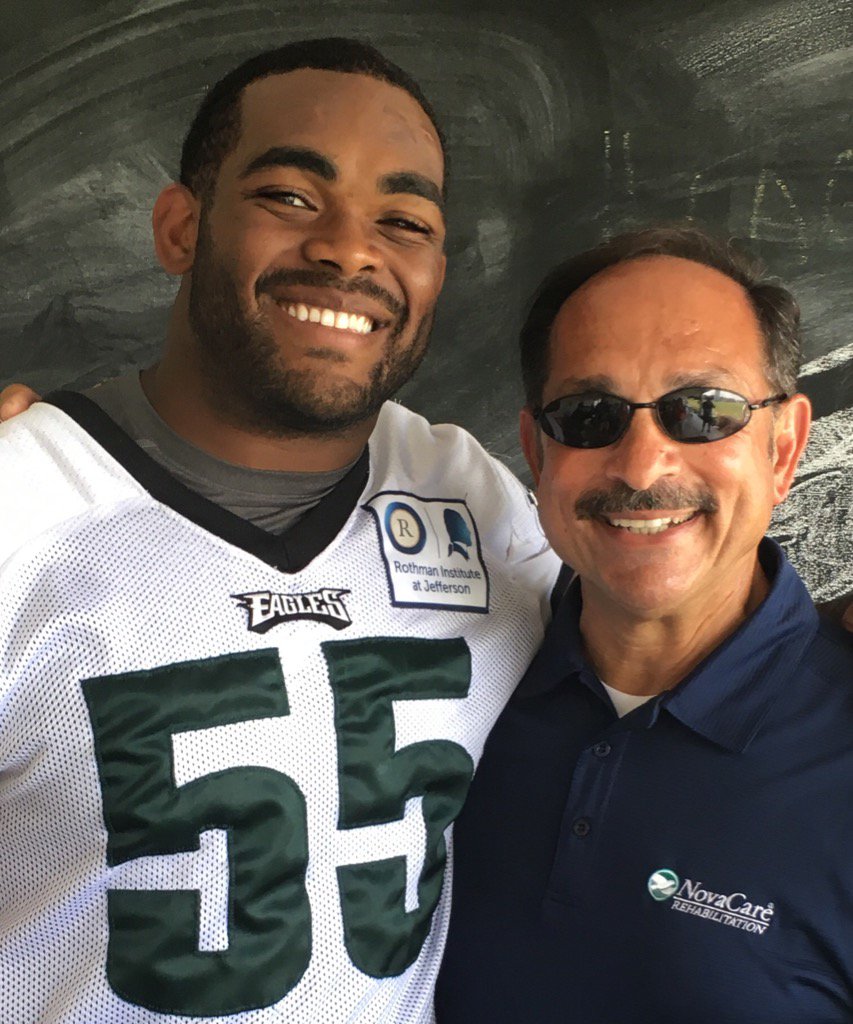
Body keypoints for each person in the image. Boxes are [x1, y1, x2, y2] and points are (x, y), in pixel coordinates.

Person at [0, 39, 559, 1024]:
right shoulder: (24, 504)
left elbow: (659, 662)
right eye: (290, 197)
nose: (350, 249)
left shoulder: (472, 495)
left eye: (404, 219)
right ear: (180, 227)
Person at [435, 227, 853, 1024]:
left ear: (784, 447)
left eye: (703, 410)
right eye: (588, 415)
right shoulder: (447, 690)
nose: (640, 466)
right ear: (536, 453)